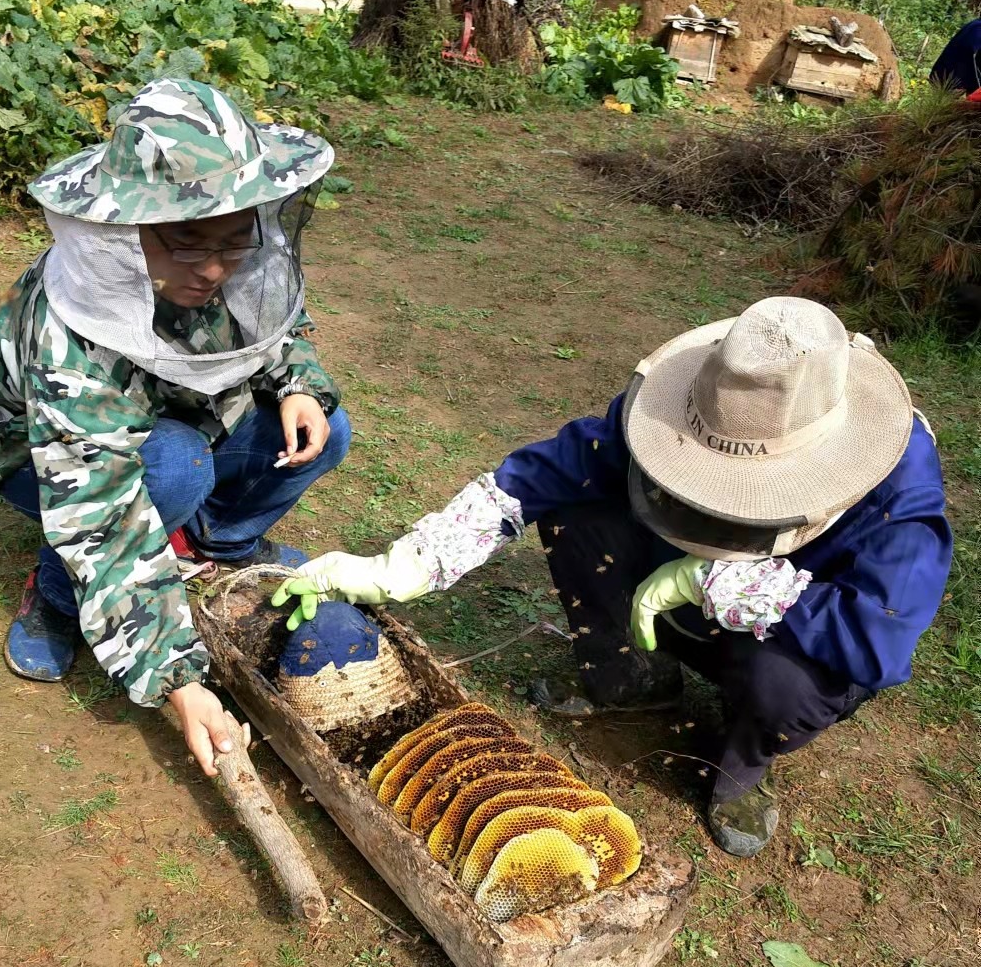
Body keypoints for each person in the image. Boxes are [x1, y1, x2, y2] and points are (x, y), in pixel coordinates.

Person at [272, 298, 952, 858]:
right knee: (579, 512)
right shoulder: (683, 405)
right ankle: (626, 679)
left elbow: (879, 641)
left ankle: (741, 765)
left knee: (788, 685)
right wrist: (407, 564)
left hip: (781, 637)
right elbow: (533, 480)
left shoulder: (893, 488)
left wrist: (723, 585)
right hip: (676, 589)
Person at [0, 78, 350, 775]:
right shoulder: (68, 325)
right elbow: (98, 505)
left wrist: (298, 387)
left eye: (234, 242)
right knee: (175, 466)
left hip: (174, 424)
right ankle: (56, 594)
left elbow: (275, 328)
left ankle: (217, 545)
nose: (214, 269)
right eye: (187, 245)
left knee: (326, 429)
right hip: (49, 463)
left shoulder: (220, 269)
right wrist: (181, 682)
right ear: (120, 232)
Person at [930, 17, 981, 95]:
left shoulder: (975, 25)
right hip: (950, 84)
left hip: (958, 81)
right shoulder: (977, 29)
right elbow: (975, 58)